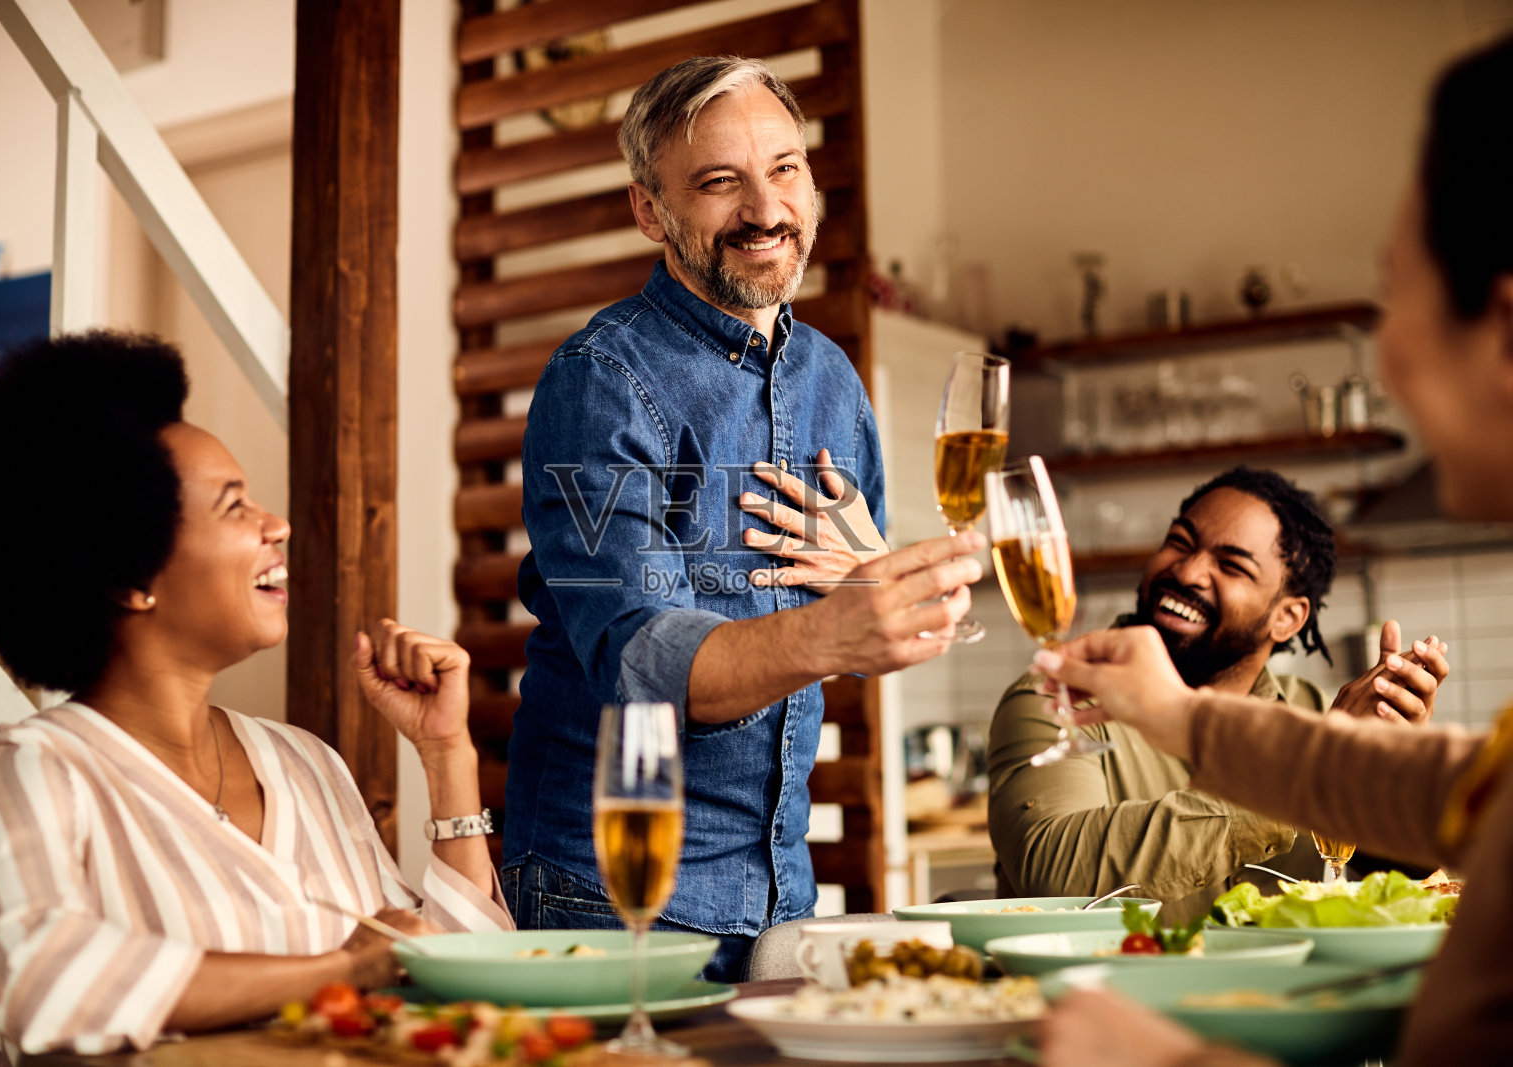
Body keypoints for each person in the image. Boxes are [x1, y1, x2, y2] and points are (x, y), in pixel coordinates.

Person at [1032, 32, 1513, 1067]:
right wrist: (1179, 715)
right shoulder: (1071, 688)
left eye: (1401, 290)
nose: (1387, 348)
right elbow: (1461, 790)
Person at [507, 55, 980, 981]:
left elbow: (852, 619)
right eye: (721, 182)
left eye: (786, 168)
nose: (766, 210)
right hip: (608, 886)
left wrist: (873, 590)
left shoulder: (833, 381)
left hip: (779, 890)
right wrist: (842, 620)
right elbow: (638, 659)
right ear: (651, 210)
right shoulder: (599, 379)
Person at [0, 332, 511, 1063]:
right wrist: (339, 971)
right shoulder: (27, 771)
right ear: (128, 572)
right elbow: (43, 986)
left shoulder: (307, 764)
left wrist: (445, 755)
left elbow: (465, 991)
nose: (278, 525)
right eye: (235, 504)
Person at [987, 468, 1450, 920]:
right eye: (1179, 542)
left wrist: (1398, 773)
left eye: (1231, 566)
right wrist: (1306, 772)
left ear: (1287, 617)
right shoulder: (1056, 697)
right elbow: (1050, 871)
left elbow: (1408, 884)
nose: (1188, 571)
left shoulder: (1309, 707)